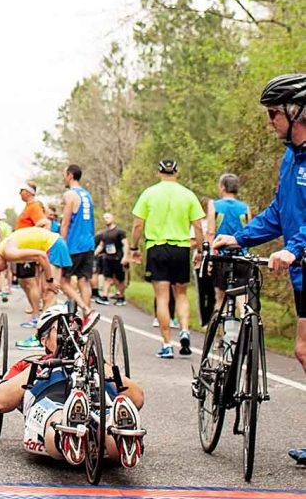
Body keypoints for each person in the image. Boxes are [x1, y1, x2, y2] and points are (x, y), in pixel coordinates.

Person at [212, 73, 306, 467]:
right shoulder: (290, 157)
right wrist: (239, 238)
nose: (270, 122)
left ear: (295, 112)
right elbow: (279, 213)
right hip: (301, 272)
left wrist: (294, 249)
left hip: (301, 260)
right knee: (303, 351)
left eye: (273, 114)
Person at [0, 304, 145, 469]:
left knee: (108, 418)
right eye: (62, 328)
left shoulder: (96, 362)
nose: (72, 334)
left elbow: (137, 398)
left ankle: (122, 438)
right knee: (56, 414)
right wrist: (39, 366)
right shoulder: (30, 363)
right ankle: (66, 435)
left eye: (76, 328)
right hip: (48, 400)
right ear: (44, 339)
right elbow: (0, 401)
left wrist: (98, 363)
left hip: (95, 402)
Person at [129, 159, 204, 358]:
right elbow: (198, 226)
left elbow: (138, 224)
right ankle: (185, 330)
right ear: (177, 172)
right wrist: (201, 249)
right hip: (181, 248)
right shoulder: (188, 194)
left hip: (157, 247)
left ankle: (167, 343)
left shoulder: (149, 193)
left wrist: (134, 247)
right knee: (181, 294)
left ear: (159, 172)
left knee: (162, 297)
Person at [0, 226, 92, 348]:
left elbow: (41, 255)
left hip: (53, 247)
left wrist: (50, 280)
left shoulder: (8, 252)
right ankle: (78, 316)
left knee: (50, 294)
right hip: (52, 246)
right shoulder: (4, 249)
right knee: (47, 293)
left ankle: (40, 338)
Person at [205, 174, 251, 312]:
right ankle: (245, 321)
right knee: (242, 297)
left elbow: (211, 232)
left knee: (220, 297)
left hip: (221, 255)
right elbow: (249, 231)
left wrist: (209, 258)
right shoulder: (245, 207)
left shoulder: (214, 205)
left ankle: (222, 324)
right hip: (242, 256)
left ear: (222, 187)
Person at [60, 165, 96, 309]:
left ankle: (84, 309)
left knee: (63, 281)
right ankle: (86, 318)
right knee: (84, 281)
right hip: (88, 243)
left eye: (64, 175)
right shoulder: (88, 195)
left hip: (74, 244)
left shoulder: (70, 195)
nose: (63, 178)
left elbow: (65, 223)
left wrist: (61, 244)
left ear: (70, 175)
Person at [14, 182, 50, 325]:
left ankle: (36, 316)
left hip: (29, 250)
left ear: (28, 192)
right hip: (22, 250)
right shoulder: (27, 207)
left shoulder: (34, 206)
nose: (19, 193)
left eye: (21, 190)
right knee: (23, 281)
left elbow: (44, 222)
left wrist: (31, 235)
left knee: (30, 281)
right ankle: (35, 311)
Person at [94, 212, 127, 305]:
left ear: (113, 218)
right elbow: (101, 245)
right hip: (108, 258)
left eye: (108, 217)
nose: (106, 219)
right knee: (107, 277)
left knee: (119, 279)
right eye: (104, 218)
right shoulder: (104, 233)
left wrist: (125, 257)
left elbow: (125, 244)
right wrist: (94, 254)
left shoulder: (119, 232)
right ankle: (104, 297)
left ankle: (121, 297)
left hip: (118, 258)